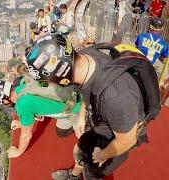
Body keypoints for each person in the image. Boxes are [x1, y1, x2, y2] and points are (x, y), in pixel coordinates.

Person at [23, 34, 160, 179]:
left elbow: (127, 140)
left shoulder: (117, 98)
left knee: (92, 173)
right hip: (102, 123)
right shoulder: (85, 58)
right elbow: (86, 88)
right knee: (81, 148)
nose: (49, 85)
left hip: (116, 140)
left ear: (59, 74)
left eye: (46, 82)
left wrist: (103, 154)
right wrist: (83, 113)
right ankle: (74, 176)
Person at [0, 77, 82, 158]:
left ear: (5, 100)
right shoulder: (26, 84)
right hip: (73, 95)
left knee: (63, 133)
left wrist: (18, 151)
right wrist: (22, 123)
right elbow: (40, 97)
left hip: (76, 109)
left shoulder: (22, 105)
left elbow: (26, 135)